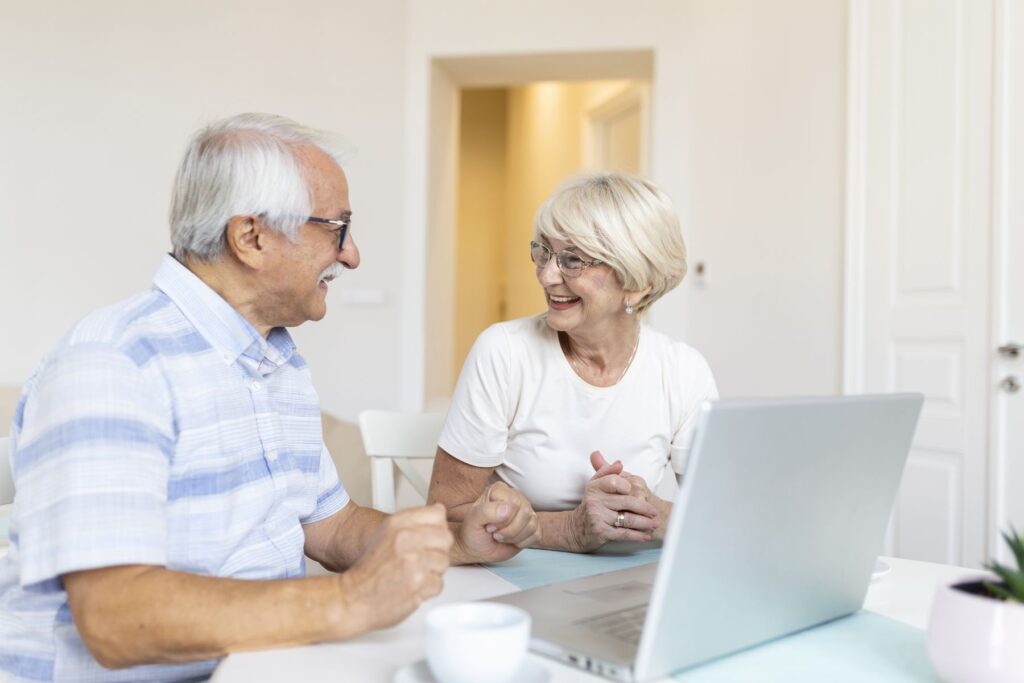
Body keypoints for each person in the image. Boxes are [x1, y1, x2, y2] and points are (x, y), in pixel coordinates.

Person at [0, 113, 533, 682]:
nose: (352, 256)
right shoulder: (113, 363)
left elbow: (331, 526)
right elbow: (113, 618)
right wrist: (348, 602)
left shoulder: (276, 360)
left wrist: (457, 542)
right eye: (337, 229)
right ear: (250, 237)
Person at [428, 172, 718, 554]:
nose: (548, 276)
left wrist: (648, 513)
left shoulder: (682, 370)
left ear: (637, 282)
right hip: (512, 581)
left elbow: (721, 520)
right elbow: (442, 515)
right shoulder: (505, 352)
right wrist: (570, 528)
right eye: (544, 252)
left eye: (573, 260)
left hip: (627, 585)